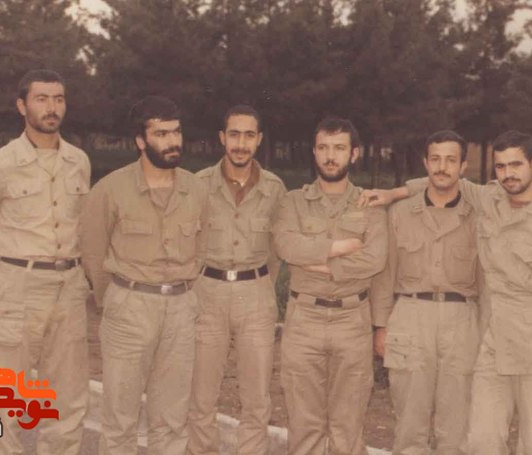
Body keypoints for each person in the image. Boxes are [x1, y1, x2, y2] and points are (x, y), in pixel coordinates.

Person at [362, 130, 532, 455]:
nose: (509, 174)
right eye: (501, 167)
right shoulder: (492, 199)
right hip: (491, 346)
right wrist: (395, 192)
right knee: (480, 441)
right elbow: (442, 179)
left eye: (516, 165)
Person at [0, 69, 90, 455]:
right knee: (7, 401)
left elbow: (83, 228)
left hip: (68, 290)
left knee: (67, 401)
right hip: (18, 288)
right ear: (22, 106)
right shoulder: (0, 164)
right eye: (42, 99)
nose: (52, 108)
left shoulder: (78, 161)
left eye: (58, 99)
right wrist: (2, 281)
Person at [80, 96, 207, 455]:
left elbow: (202, 248)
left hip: (180, 309)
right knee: (120, 418)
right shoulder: (111, 189)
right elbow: (92, 251)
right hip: (129, 308)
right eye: (161, 133)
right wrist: (114, 299)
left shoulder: (196, 190)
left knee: (172, 419)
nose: (172, 141)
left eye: (176, 132)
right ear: (140, 140)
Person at [272, 117, 387, 455]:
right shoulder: (293, 201)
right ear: (314, 152)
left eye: (339, 148)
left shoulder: (370, 204)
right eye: (323, 148)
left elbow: (374, 259)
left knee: (347, 429)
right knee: (303, 425)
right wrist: (339, 247)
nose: (330, 156)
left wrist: (319, 262)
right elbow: (286, 245)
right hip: (304, 320)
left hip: (352, 321)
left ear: (354, 154)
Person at [371, 130, 482, 454]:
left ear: (463, 166)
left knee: (456, 429)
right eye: (435, 159)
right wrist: (380, 326)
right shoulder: (400, 213)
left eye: (451, 160)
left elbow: (486, 281)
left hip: (462, 321)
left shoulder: (478, 214)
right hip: (410, 317)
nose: (442, 167)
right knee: (409, 427)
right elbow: (384, 274)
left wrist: (487, 331)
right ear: (425, 163)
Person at [187, 105, 286, 455]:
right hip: (207, 293)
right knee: (200, 394)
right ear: (222, 138)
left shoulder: (274, 188)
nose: (241, 144)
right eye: (234, 135)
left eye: (248, 135)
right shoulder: (198, 185)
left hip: (255, 293)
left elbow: (276, 250)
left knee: (256, 397)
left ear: (259, 140)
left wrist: (258, 284)